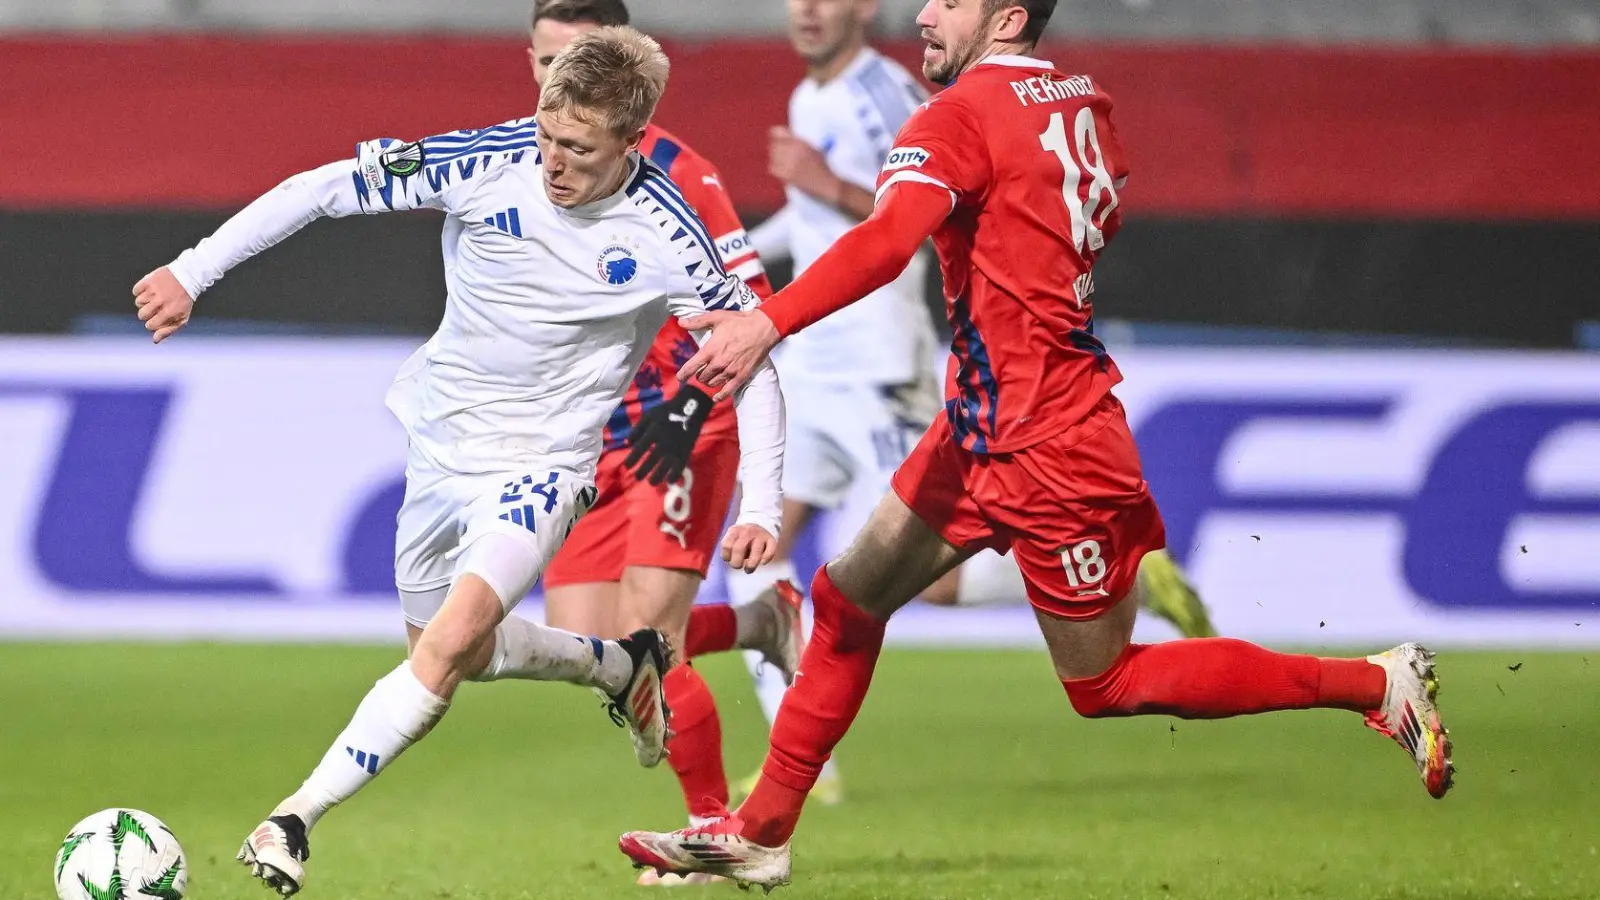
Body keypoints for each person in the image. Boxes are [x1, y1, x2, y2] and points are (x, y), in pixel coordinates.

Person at [617, 0, 1454, 888]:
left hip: (1049, 441)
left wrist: (765, 322)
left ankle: (1375, 684)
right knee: (848, 597)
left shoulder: (959, 115)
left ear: (1008, 16)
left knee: (1106, 686)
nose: (925, 13)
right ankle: (762, 831)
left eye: (950, 1)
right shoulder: (1079, 96)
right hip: (982, 422)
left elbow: (887, 240)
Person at [132, 28, 785, 897]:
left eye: (579, 150)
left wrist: (764, 506)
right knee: (460, 656)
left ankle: (293, 817)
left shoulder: (667, 227)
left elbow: (758, 356)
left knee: (441, 651)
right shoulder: (486, 161)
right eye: (548, 136)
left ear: (631, 143)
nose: (553, 162)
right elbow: (325, 187)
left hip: (546, 467)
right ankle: (619, 665)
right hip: (440, 450)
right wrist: (191, 270)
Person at [727, 0, 1215, 809]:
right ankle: (791, 779)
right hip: (816, 367)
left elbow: (899, 228)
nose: (806, 11)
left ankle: (1117, 575)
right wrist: (737, 256)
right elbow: (823, 220)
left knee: (922, 585)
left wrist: (807, 228)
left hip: (885, 364)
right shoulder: (817, 97)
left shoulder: (899, 98)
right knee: (773, 553)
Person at [526, 0, 804, 884]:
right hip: (599, 433)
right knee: (586, 641)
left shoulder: (684, 175)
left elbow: (754, 320)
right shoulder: (529, 163)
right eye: (542, 64)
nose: (555, 86)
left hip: (684, 423)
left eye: (574, 64)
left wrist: (699, 403)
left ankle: (711, 829)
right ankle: (763, 620)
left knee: (651, 639)